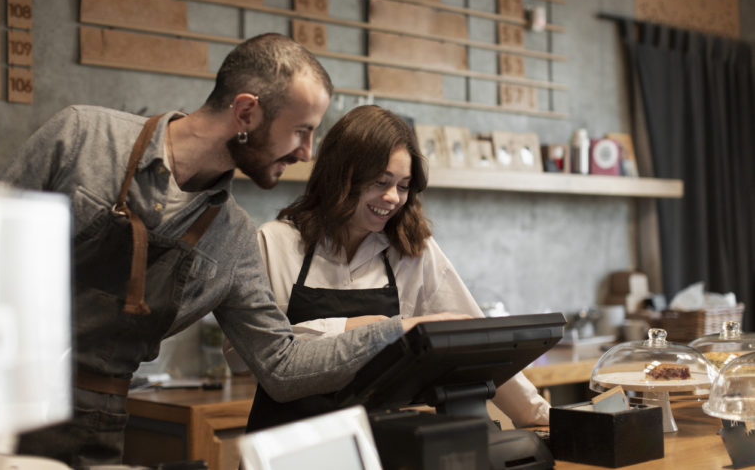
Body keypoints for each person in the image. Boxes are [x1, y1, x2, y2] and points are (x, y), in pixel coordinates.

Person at [0, 34, 465, 468]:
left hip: (95, 423)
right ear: (246, 114)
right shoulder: (83, 138)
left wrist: (399, 331)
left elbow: (280, 365)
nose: (307, 152)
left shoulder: (233, 237)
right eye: (301, 130)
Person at [225, 104, 551, 432]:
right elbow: (242, 357)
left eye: (404, 185)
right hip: (286, 448)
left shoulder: (412, 250)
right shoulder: (274, 242)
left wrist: (539, 415)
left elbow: (478, 343)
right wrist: (365, 327)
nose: (393, 197)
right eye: (381, 181)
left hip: (380, 447)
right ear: (342, 175)